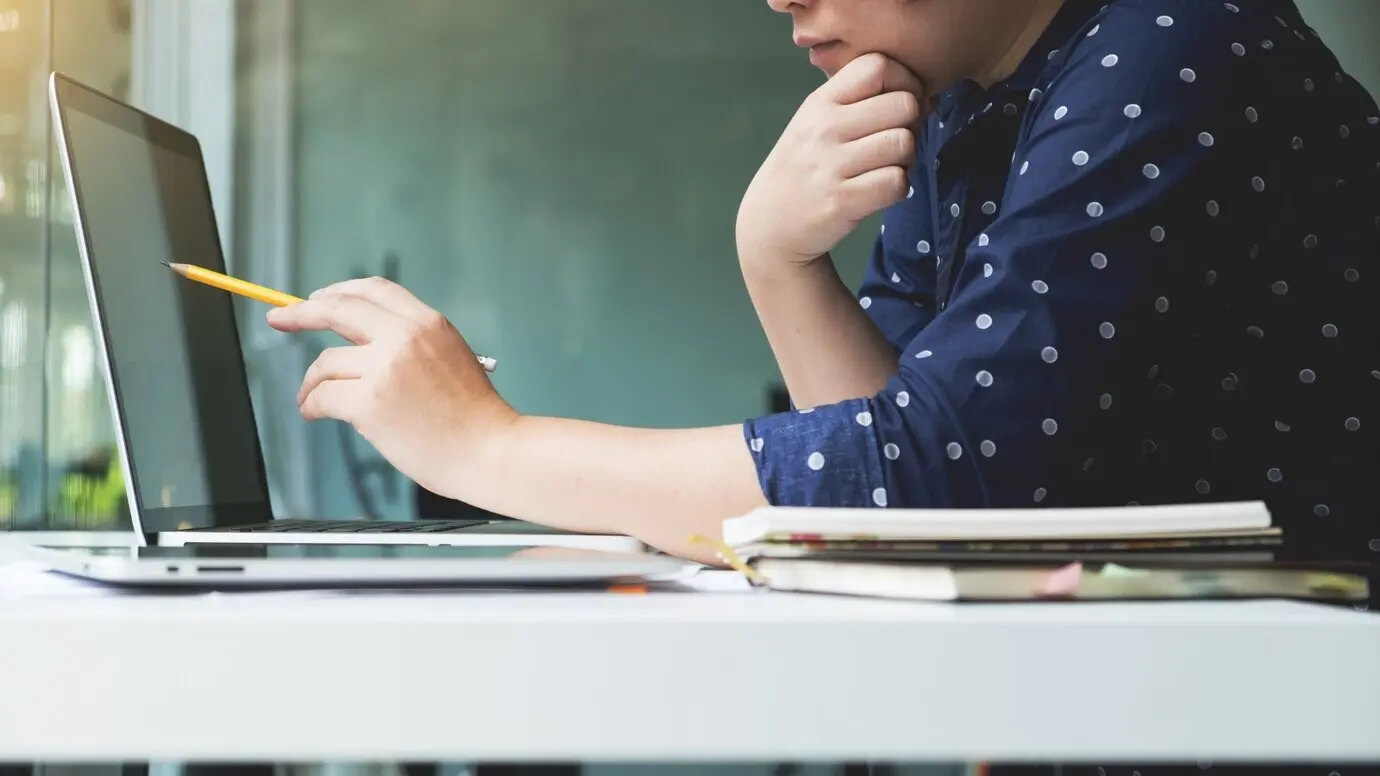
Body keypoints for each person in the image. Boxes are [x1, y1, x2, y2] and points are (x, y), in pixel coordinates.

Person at [267, 0, 1378, 570]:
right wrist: (779, 262)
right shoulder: (962, 99)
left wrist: (486, 446)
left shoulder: (1177, 46)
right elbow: (895, 507)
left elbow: (933, 480)